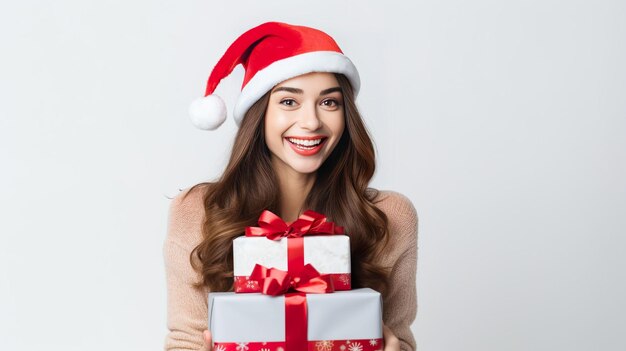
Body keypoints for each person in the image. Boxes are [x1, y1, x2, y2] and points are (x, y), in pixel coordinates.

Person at [163, 22, 418, 351]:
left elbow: (399, 338)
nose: (311, 122)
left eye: (329, 103)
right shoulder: (197, 212)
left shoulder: (391, 217)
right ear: (260, 114)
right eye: (288, 102)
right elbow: (185, 341)